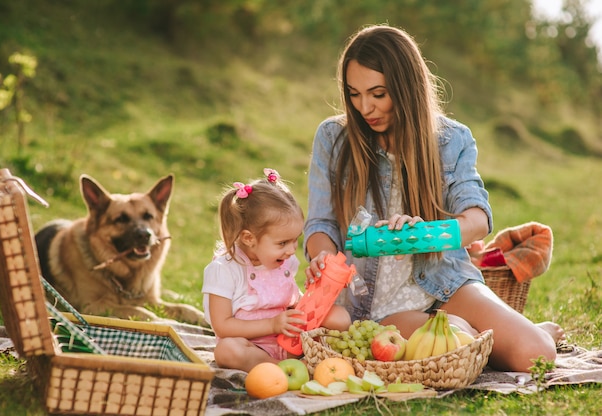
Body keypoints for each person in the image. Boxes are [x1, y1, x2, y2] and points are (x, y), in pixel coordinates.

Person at [303, 24, 564, 372]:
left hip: (443, 282)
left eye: (378, 93)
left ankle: (516, 333)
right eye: (354, 94)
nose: (365, 107)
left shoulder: (451, 139)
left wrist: (426, 232)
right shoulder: (333, 137)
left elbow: (477, 219)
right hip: (370, 303)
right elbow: (320, 222)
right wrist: (321, 256)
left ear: (405, 87)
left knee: (536, 354)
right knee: (458, 344)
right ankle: (476, 334)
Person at [203, 168, 351, 372]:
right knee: (227, 350)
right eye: (282, 243)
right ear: (249, 238)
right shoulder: (224, 270)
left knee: (339, 317)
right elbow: (223, 326)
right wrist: (272, 325)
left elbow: (289, 302)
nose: (291, 250)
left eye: (295, 240)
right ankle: (285, 370)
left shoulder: (282, 261)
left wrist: (310, 297)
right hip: (253, 347)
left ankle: (311, 358)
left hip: (290, 341)